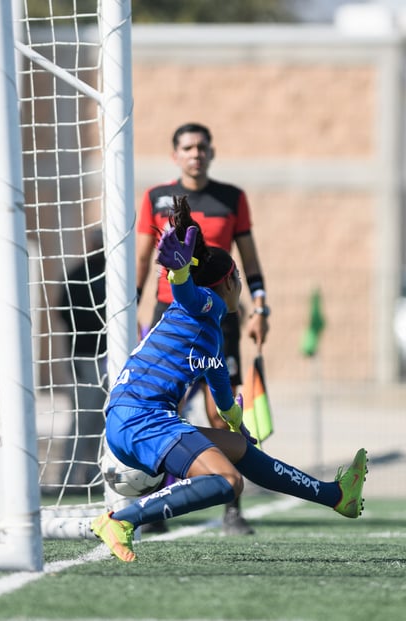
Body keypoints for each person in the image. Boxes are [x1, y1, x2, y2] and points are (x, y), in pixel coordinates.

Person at [91, 196, 368, 563]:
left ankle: (337, 497)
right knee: (227, 482)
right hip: (141, 419)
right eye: (237, 277)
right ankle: (120, 520)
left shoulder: (210, 336)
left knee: (238, 450)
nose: (240, 284)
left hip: (134, 418)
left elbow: (222, 394)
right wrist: (179, 275)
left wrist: (237, 423)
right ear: (228, 282)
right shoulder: (204, 305)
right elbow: (188, 296)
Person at [136, 122, 270, 534]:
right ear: (175, 155)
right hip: (169, 313)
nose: (196, 154)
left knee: (220, 406)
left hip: (220, 317)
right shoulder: (156, 197)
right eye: (188, 148)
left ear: (212, 153)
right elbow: (142, 258)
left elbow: (249, 260)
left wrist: (260, 305)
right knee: (165, 407)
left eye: (202, 147)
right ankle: (156, 505)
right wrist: (127, 302)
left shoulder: (232, 199)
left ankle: (232, 506)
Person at [58, 229, 107, 489]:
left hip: (112, 357)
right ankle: (67, 477)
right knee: (82, 419)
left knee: (104, 421)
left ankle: (95, 477)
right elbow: (65, 314)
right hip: (86, 357)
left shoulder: (117, 275)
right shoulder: (79, 275)